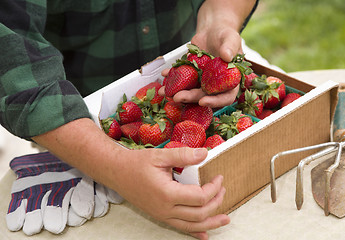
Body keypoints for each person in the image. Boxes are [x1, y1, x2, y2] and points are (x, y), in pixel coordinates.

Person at [0, 0, 258, 239]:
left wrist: (220, 19)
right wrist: (112, 165)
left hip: (189, 61)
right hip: (73, 121)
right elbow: (10, 54)